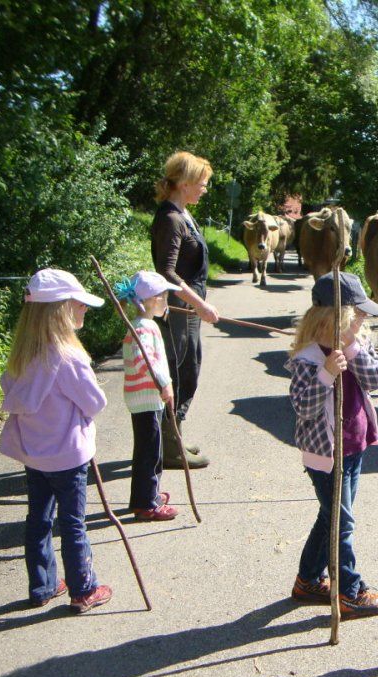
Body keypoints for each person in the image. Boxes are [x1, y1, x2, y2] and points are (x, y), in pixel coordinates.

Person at [0, 269, 113, 613]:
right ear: (61, 309)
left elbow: (10, 390)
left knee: (38, 519)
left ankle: (43, 585)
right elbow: (95, 403)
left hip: (34, 455)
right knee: (73, 523)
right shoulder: (68, 357)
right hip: (68, 456)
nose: (85, 310)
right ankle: (83, 589)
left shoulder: (24, 354)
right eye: (79, 304)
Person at [287, 272, 378, 619]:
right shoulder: (308, 360)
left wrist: (352, 348)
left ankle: (308, 579)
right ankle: (348, 591)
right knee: (342, 524)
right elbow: (303, 409)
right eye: (358, 315)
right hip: (325, 456)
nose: (364, 320)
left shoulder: (357, 344)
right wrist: (327, 374)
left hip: (356, 446)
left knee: (330, 516)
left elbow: (377, 379)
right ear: (335, 318)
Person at [151, 150, 219, 470]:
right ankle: (169, 446)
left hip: (187, 309)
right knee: (180, 372)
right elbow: (166, 272)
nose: (205, 188)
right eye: (202, 182)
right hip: (179, 309)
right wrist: (200, 303)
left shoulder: (182, 213)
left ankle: (174, 435)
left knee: (190, 369)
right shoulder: (170, 219)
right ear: (185, 182)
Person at [114, 271, 181, 522]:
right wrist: (165, 383)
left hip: (144, 398)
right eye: (164, 297)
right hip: (146, 398)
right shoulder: (144, 328)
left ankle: (148, 494)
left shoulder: (144, 325)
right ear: (153, 300)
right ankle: (145, 505)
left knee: (151, 449)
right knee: (149, 452)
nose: (167, 302)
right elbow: (147, 360)